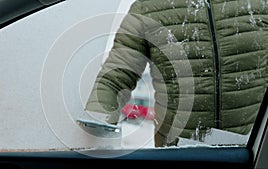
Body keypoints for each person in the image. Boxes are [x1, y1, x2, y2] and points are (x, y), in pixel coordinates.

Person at [85, 0, 268, 147]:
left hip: (256, 151)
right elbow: (114, 79)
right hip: (179, 153)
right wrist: (93, 136)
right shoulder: (148, 8)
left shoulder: (261, 5)